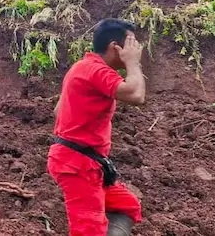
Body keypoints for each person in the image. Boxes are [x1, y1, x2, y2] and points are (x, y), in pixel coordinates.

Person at [48, 18, 146, 236]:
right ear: (115, 47)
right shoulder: (95, 71)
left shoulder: (82, 67)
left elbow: (58, 110)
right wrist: (133, 63)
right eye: (131, 44)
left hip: (88, 161)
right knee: (89, 230)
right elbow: (136, 95)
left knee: (125, 206)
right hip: (77, 165)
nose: (136, 49)